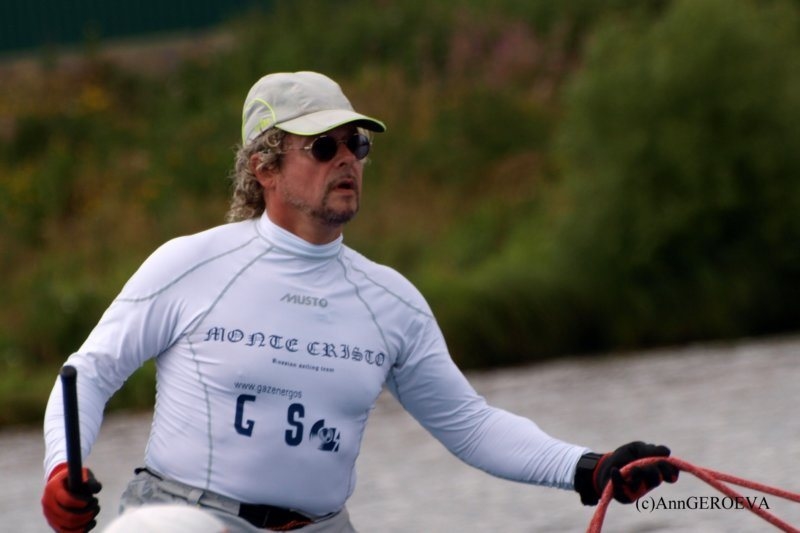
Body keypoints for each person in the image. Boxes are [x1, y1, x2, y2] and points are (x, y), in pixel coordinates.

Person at [42, 70, 678, 533]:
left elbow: (470, 424)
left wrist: (590, 467)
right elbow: (88, 373)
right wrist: (59, 470)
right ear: (265, 167)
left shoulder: (390, 301)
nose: (347, 159)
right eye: (324, 147)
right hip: (183, 518)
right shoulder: (191, 264)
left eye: (357, 145)